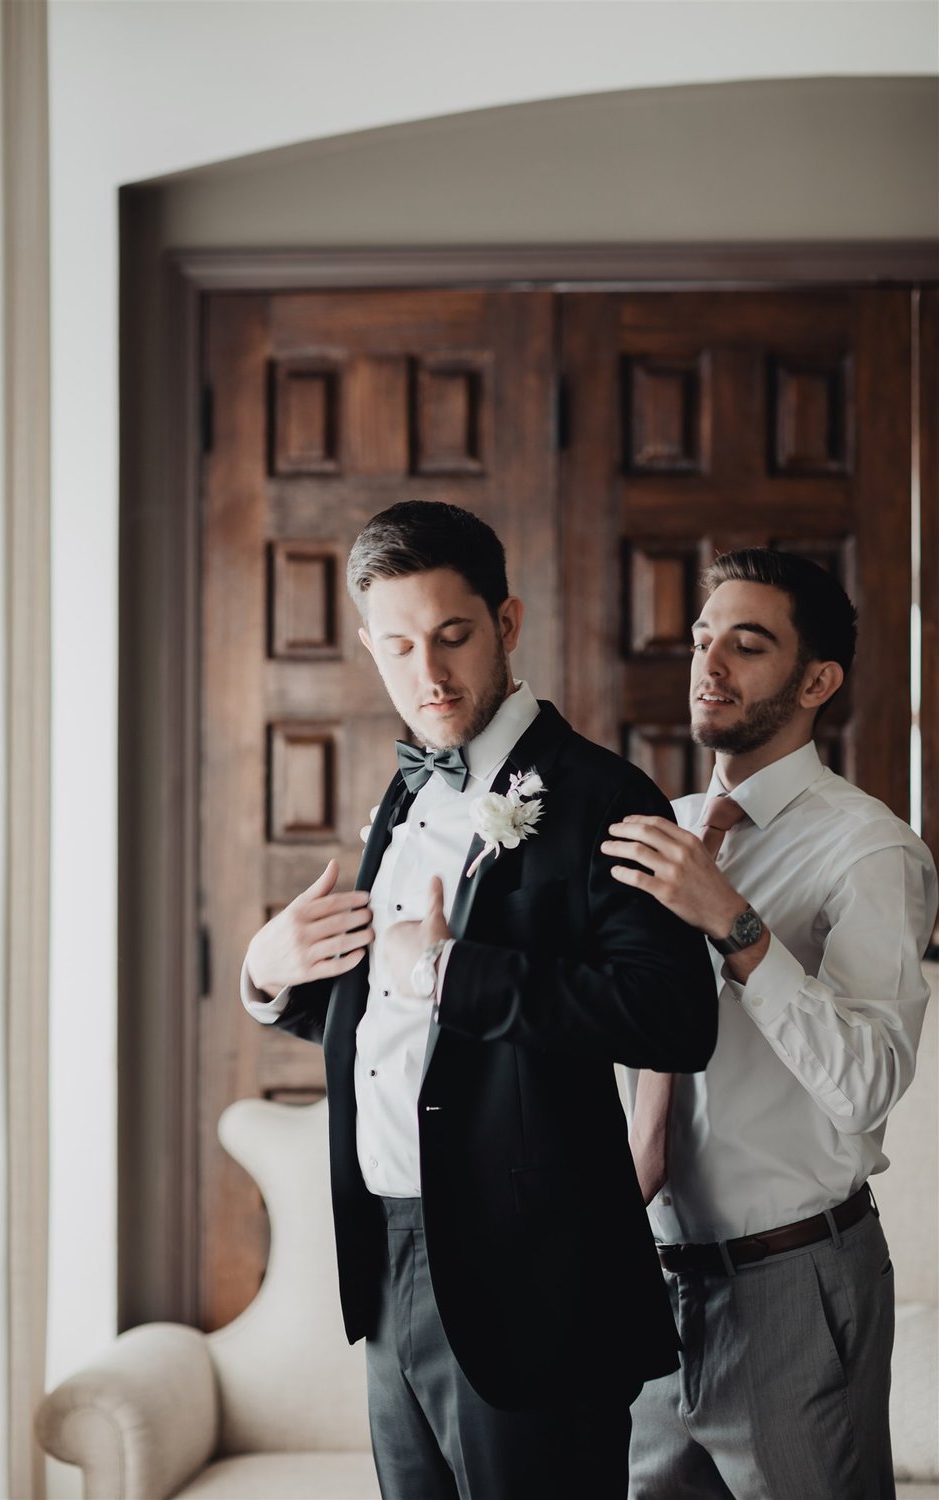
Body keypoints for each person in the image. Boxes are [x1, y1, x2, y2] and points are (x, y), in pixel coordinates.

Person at [242, 500, 718, 1500]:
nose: (430, 673)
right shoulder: (404, 797)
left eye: (453, 636)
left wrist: (458, 974)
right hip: (387, 1255)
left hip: (532, 1273)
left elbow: (673, 1016)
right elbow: (387, 1018)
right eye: (402, 645)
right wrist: (270, 974)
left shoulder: (602, 795)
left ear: (506, 623)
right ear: (370, 646)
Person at [601, 547, 938, 1500]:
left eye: (747, 646)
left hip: (794, 1282)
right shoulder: (654, 832)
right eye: (706, 638)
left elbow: (870, 1082)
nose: (709, 663)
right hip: (650, 1285)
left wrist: (736, 925)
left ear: (816, 680)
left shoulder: (869, 849)